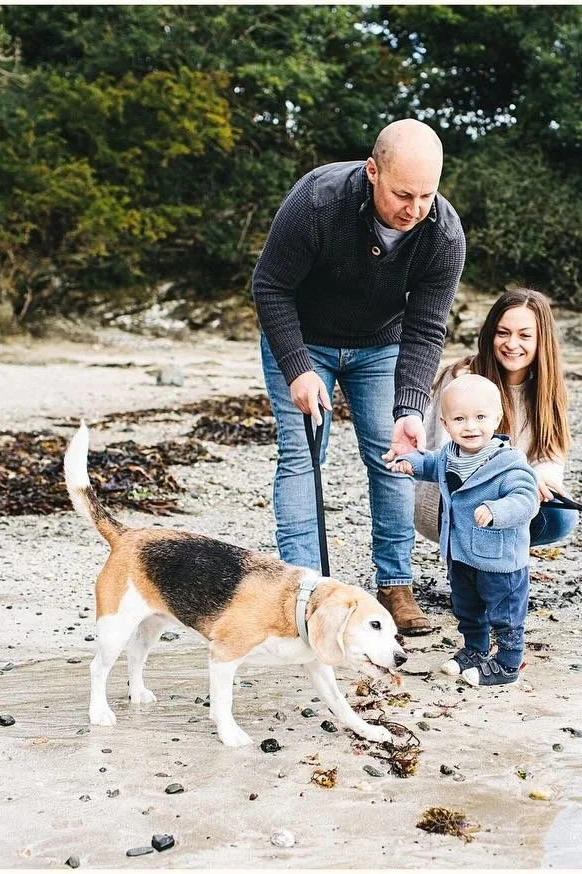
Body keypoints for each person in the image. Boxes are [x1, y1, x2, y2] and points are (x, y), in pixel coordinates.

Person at [252, 119, 466, 635]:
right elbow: (270, 286)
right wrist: (298, 370)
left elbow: (426, 325)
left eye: (426, 195)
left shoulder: (443, 233)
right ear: (373, 172)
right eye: (402, 194)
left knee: (394, 457)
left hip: (382, 345)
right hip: (303, 337)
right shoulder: (317, 202)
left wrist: (411, 407)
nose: (415, 209)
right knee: (302, 457)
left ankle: (394, 584)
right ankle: (305, 591)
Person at [388, 374, 539, 686]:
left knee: (505, 614)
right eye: (460, 419)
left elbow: (526, 499)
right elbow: (431, 464)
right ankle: (474, 650)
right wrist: (410, 463)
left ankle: (508, 665)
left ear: (498, 418)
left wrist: (498, 510)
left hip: (500, 560)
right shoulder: (449, 455)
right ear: (445, 424)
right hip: (460, 553)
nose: (470, 426)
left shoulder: (508, 463)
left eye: (480, 417)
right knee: (467, 608)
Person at [414, 288, 577, 549]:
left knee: (561, 515)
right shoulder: (463, 378)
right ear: (491, 334)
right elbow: (456, 458)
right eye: (503, 333)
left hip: (508, 492)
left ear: (541, 340)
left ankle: (496, 560)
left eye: (524, 335)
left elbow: (550, 454)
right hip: (451, 498)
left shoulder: (547, 388)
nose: (512, 344)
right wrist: (523, 477)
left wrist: (544, 479)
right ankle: (473, 559)